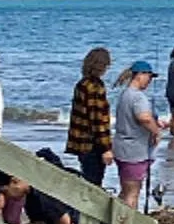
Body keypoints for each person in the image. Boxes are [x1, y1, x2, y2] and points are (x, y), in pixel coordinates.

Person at [111, 61, 165, 210]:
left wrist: (155, 123)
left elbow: (138, 119)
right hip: (134, 152)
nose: (150, 81)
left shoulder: (125, 94)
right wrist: (156, 131)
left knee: (126, 191)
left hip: (122, 148)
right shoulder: (138, 97)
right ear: (140, 75)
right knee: (132, 194)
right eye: (149, 76)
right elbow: (144, 118)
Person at [66, 47, 115, 188]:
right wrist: (106, 148)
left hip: (81, 143)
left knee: (88, 180)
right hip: (92, 145)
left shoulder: (82, 84)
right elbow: (98, 120)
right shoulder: (95, 87)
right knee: (94, 184)